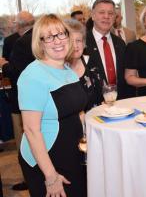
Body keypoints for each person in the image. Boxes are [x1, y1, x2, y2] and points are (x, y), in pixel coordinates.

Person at [17, 14, 87, 196]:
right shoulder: (32, 75)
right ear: (40, 43)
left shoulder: (67, 69)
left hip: (72, 153)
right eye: (48, 37)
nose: (57, 41)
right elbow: (31, 130)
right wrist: (50, 176)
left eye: (61, 34)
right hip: (46, 160)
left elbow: (77, 112)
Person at [0, 11, 35, 191]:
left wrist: (3, 65)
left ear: (19, 25)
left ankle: (30, 179)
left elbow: (15, 71)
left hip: (22, 100)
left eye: (15, 22)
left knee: (25, 140)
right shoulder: (40, 37)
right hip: (41, 99)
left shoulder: (20, 42)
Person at [84, 0, 131, 99]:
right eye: (101, 12)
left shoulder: (120, 43)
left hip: (121, 103)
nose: (106, 16)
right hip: (93, 105)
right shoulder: (82, 44)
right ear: (93, 15)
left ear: (114, 17)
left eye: (110, 13)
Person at [66, 19, 104, 111]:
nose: (75, 46)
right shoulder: (58, 69)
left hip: (96, 119)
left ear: (84, 44)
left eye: (78, 40)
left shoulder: (92, 63)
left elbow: (102, 96)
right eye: (70, 41)